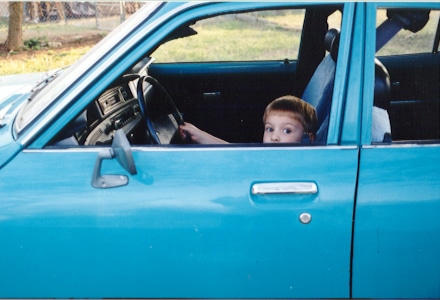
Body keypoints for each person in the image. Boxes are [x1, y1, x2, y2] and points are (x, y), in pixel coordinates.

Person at [179, 95, 318, 144]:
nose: (274, 137)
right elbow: (236, 153)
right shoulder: (273, 155)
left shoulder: (286, 163)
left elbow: (238, 158)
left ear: (308, 138)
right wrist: (199, 135)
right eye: (270, 129)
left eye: (287, 131)